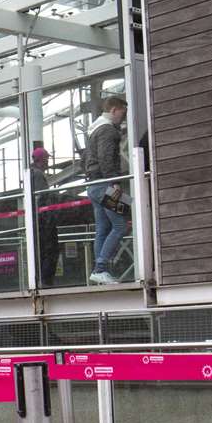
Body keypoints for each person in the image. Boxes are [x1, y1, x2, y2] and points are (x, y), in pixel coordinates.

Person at [84, 96, 131, 284]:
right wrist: (115, 181)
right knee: (121, 226)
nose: (124, 116)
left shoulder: (94, 129)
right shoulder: (108, 130)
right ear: (114, 110)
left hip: (93, 185)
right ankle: (101, 268)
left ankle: (99, 270)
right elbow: (106, 157)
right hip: (106, 184)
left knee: (102, 229)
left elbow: (85, 160)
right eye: (123, 112)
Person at [29, 147, 61, 286]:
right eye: (46, 159)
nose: (48, 162)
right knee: (50, 250)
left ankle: (43, 280)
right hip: (43, 220)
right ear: (40, 160)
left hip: (38, 220)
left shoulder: (31, 173)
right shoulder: (38, 175)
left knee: (42, 251)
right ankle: (47, 281)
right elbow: (43, 197)